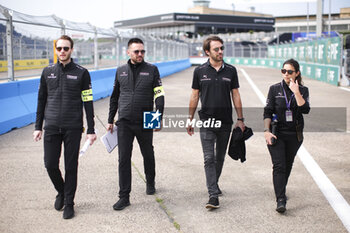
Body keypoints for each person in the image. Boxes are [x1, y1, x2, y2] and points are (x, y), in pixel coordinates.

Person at [33, 35, 97, 219]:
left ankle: (69, 203)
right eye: (59, 48)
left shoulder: (82, 72)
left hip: (73, 126)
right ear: (56, 49)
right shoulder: (47, 72)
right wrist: (38, 126)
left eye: (66, 48)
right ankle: (61, 191)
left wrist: (91, 129)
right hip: (51, 126)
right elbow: (41, 100)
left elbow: (88, 101)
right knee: (50, 164)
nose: (62, 51)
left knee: (71, 166)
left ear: (71, 50)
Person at [187, 36, 245, 210]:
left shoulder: (231, 71)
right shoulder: (199, 71)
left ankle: (214, 183)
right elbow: (194, 95)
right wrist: (189, 119)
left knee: (219, 157)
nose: (220, 52)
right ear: (207, 52)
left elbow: (235, 95)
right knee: (208, 157)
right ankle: (213, 194)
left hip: (225, 122)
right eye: (216, 49)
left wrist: (240, 119)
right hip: (206, 120)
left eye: (222, 49)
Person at [108, 38, 165, 211]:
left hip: (146, 118)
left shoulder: (152, 70)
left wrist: (158, 117)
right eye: (136, 51)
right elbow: (114, 97)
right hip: (124, 121)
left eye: (142, 51)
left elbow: (159, 95)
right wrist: (110, 120)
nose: (140, 54)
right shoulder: (120, 71)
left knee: (148, 153)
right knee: (123, 159)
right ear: (128, 52)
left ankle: (150, 181)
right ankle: (124, 197)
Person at [264, 58, 310, 213]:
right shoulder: (274, 89)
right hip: (277, 133)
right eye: (284, 71)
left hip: (294, 135)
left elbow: (305, 110)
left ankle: (281, 190)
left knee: (288, 164)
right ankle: (281, 199)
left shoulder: (303, 90)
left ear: (297, 73)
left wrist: (296, 92)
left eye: (290, 71)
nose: (286, 74)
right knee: (279, 165)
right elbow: (267, 111)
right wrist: (266, 131)